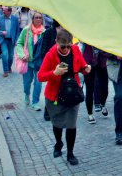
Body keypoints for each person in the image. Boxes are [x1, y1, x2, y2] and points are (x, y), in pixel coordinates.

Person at [37, 29, 91, 166]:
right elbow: (40, 76)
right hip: (55, 96)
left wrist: (86, 68)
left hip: (73, 94)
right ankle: (58, 143)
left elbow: (82, 66)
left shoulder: (75, 50)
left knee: (71, 125)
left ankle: (70, 153)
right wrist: (54, 72)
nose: (66, 49)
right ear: (56, 43)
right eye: (63, 46)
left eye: (69, 45)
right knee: (57, 124)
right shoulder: (50, 55)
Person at [16, 12, 45, 111]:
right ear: (32, 19)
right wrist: (21, 55)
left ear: (42, 19)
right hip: (27, 61)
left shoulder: (44, 32)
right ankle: (27, 94)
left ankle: (35, 102)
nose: (38, 19)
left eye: (40, 18)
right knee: (27, 83)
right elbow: (19, 43)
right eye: (36, 17)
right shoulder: (26, 30)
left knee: (38, 83)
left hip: (39, 62)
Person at [38, 19, 62, 121]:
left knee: (62, 88)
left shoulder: (68, 32)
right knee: (52, 88)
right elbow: (43, 50)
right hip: (52, 65)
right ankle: (48, 110)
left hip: (64, 64)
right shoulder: (49, 32)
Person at [82, 43, 109, 124]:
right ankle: (90, 114)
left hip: (102, 61)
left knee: (104, 87)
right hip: (88, 61)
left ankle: (103, 104)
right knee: (89, 89)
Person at [0, 6, 20, 77]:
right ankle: (5, 70)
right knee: (5, 54)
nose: (3, 12)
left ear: (9, 11)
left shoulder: (15, 19)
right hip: (3, 40)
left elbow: (17, 31)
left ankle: (9, 67)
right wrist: (1, 32)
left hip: (12, 40)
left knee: (11, 56)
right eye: (3, 10)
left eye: (5, 11)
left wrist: (16, 40)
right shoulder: (0, 18)